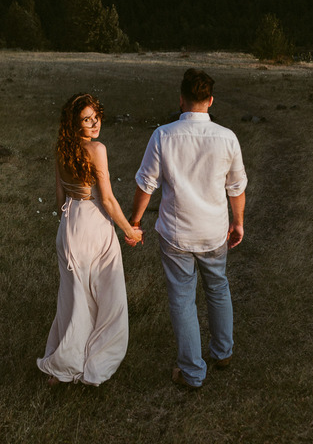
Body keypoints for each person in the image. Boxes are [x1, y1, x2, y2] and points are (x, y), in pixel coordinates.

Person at [130, 68, 247, 390]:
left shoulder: (163, 135)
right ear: (210, 100)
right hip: (214, 231)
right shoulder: (227, 137)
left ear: (181, 99)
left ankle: (192, 372)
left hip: (176, 233)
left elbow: (146, 185)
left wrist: (135, 221)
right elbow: (236, 188)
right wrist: (237, 222)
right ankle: (222, 353)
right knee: (218, 288)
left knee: (183, 299)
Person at [37, 93, 144, 387]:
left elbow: (59, 198)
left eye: (96, 117)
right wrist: (130, 231)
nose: (95, 124)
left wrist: (70, 224)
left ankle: (64, 364)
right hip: (93, 224)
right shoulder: (97, 149)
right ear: (75, 123)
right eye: (87, 119)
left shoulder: (61, 148)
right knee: (107, 296)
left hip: (69, 225)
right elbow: (107, 199)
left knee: (73, 298)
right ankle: (90, 361)